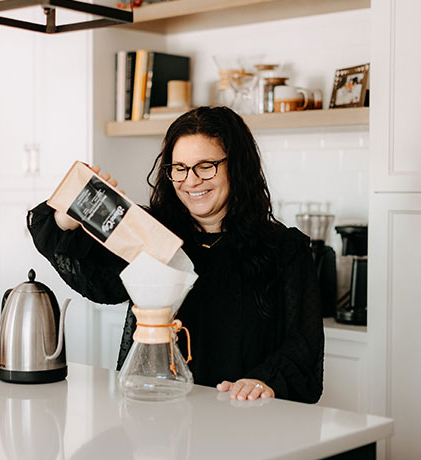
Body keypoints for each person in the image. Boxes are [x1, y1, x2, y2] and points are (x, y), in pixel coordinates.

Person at [28, 106, 324, 403]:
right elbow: (100, 284)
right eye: (179, 168)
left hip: (244, 417)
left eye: (206, 165)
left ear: (237, 166)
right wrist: (67, 218)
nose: (190, 180)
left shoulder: (285, 249)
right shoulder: (150, 236)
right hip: (158, 412)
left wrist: (264, 381)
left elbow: (303, 345)